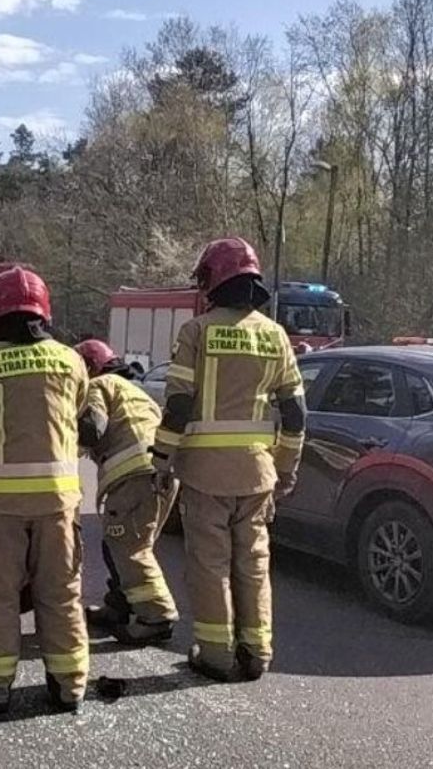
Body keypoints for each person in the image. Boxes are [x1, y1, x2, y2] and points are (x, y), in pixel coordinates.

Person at [152, 238, 306, 682]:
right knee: (254, 563)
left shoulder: (196, 332)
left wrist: (162, 461)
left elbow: (178, 407)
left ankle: (216, 654)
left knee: (210, 564)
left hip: (204, 476)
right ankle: (257, 651)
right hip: (258, 475)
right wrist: (285, 468)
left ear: (211, 282)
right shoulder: (275, 335)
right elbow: (295, 413)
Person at [0, 267, 89, 715]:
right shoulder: (71, 360)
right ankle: (69, 686)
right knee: (62, 593)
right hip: (58, 505)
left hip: (0, 507)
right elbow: (79, 412)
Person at [75, 339, 179, 645]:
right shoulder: (133, 391)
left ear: (88, 368)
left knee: (130, 548)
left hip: (134, 478)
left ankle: (157, 617)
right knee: (119, 545)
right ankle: (118, 605)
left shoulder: (98, 386)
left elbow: (94, 428)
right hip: (160, 476)